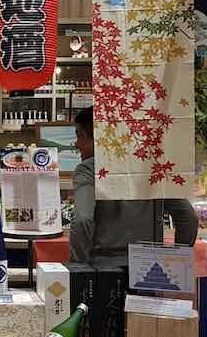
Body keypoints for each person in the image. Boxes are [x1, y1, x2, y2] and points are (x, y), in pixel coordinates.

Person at [70, 107, 198, 266]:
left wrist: (78, 266)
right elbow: (188, 217)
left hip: (105, 267)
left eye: (79, 136)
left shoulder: (88, 169)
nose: (76, 144)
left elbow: (82, 220)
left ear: (97, 138)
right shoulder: (152, 167)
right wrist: (178, 260)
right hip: (151, 267)